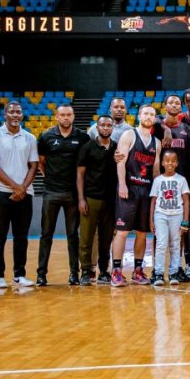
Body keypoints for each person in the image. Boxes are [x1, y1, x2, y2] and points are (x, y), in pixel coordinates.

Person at [0, 101, 39, 288]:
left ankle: (19, 274)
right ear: (5, 115)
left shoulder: (30, 138)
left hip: (25, 194)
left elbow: (34, 166)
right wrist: (15, 187)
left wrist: (22, 188)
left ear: (22, 115)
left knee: (21, 236)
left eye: (18, 112)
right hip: (0, 192)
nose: (15, 115)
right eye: (12, 112)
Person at [36, 103, 89, 286]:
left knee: (72, 235)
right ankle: (41, 274)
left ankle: (74, 274)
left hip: (73, 193)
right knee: (46, 234)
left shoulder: (82, 137)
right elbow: (41, 162)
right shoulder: (46, 137)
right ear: (57, 117)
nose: (66, 118)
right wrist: (49, 177)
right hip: (51, 192)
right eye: (63, 115)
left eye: (69, 115)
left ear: (73, 116)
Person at [112, 105, 161, 287]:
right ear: (139, 116)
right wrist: (122, 184)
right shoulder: (129, 135)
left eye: (152, 114)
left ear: (155, 118)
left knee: (142, 233)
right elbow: (121, 162)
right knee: (122, 232)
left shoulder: (156, 143)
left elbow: (155, 171)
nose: (148, 116)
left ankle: (138, 271)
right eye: (145, 113)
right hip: (129, 188)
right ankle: (116, 271)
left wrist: (157, 193)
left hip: (146, 190)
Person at [76, 115, 116, 285]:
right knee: (86, 237)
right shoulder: (87, 147)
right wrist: (81, 199)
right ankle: (86, 271)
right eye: (103, 125)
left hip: (110, 201)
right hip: (91, 198)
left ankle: (104, 271)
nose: (106, 128)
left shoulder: (117, 148)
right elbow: (80, 174)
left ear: (112, 127)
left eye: (109, 125)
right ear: (97, 127)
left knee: (106, 238)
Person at [159, 94, 190, 278]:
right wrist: (164, 128)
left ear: (181, 107)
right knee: (159, 231)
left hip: (181, 186)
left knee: (182, 229)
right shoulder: (157, 127)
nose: (174, 105)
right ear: (165, 106)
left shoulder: (187, 130)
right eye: (170, 102)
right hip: (161, 186)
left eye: (177, 103)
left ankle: (179, 266)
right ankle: (158, 269)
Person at [149, 150, 190, 287]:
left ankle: (173, 273)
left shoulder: (181, 180)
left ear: (177, 163)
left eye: (173, 161)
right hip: (160, 215)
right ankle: (158, 273)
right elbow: (153, 201)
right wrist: (151, 220)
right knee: (161, 244)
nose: (170, 163)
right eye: (167, 161)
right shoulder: (158, 180)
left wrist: (185, 221)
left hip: (177, 215)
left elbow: (186, 201)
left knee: (175, 244)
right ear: (162, 163)